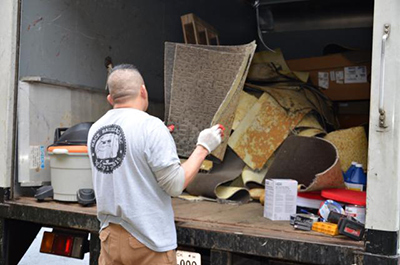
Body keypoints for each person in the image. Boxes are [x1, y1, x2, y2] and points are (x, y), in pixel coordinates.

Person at [87, 64, 223, 265]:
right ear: (143, 91)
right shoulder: (150, 126)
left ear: (110, 99)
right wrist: (203, 147)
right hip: (147, 241)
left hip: (110, 239)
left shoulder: (95, 130)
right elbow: (175, 185)